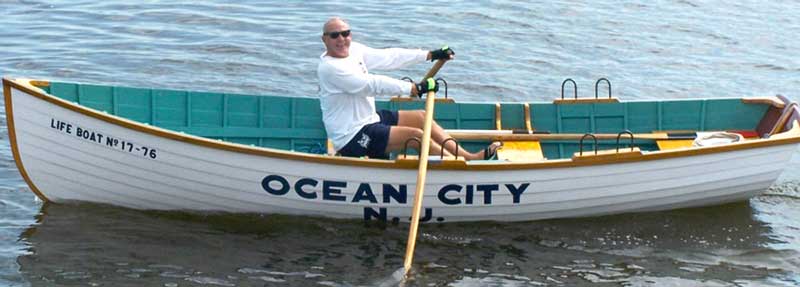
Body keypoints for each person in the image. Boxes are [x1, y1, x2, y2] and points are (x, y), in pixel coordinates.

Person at [317, 17, 500, 160]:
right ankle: (458, 167)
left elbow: (389, 56)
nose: (341, 39)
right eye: (334, 35)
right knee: (416, 136)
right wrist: (414, 88)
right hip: (352, 135)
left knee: (421, 117)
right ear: (324, 39)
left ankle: (468, 157)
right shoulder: (330, 68)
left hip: (368, 119)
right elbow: (371, 84)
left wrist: (429, 55)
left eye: (345, 33)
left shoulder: (354, 50)